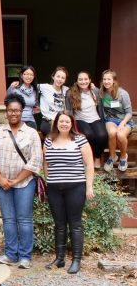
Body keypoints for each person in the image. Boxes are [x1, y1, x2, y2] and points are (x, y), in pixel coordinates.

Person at [0, 94, 42, 269]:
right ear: (6, 112)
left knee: (24, 219)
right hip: (3, 184)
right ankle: (11, 254)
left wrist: (16, 180)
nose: (13, 114)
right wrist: (1, 179)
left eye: (17, 110)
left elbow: (36, 162)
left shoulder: (32, 133)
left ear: (22, 111)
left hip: (24, 183)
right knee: (8, 219)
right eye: (10, 110)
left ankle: (25, 256)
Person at [43, 111, 94, 274]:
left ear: (72, 124)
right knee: (59, 224)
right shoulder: (49, 140)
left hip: (76, 187)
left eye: (67, 121)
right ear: (56, 123)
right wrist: (47, 179)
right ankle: (60, 258)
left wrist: (89, 187)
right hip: (54, 189)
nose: (64, 124)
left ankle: (76, 260)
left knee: (75, 224)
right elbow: (46, 163)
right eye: (61, 121)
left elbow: (89, 164)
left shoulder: (80, 139)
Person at [65, 71, 107, 169]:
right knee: (88, 134)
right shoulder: (71, 93)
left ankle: (97, 157)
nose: (83, 81)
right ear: (77, 81)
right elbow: (69, 110)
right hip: (80, 119)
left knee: (102, 135)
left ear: (90, 80)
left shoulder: (95, 91)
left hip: (95, 118)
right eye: (80, 79)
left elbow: (105, 92)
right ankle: (88, 158)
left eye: (85, 79)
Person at [100, 70, 133, 172]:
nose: (106, 81)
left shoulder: (123, 93)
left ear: (114, 80)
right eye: (104, 79)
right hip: (110, 120)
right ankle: (112, 156)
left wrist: (122, 123)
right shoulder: (102, 93)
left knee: (120, 135)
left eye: (109, 79)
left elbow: (129, 113)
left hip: (125, 121)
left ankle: (123, 157)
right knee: (112, 132)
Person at [6, 65, 39, 130]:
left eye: (31, 75)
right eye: (26, 74)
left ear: (34, 77)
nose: (29, 77)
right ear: (21, 75)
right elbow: (7, 101)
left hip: (30, 120)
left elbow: (36, 105)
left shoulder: (34, 91)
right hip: (17, 119)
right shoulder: (14, 88)